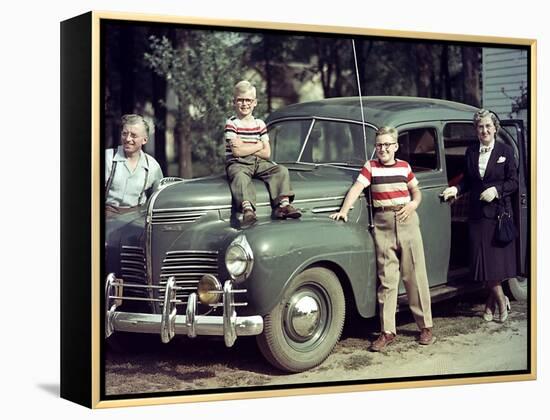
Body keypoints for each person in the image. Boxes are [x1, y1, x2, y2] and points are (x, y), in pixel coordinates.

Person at [330, 126, 435, 351]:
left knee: (414, 275)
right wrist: (345, 210)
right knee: (387, 280)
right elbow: (356, 188)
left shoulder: (405, 167)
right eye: (379, 145)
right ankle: (387, 331)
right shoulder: (371, 167)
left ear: (395, 146)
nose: (383, 149)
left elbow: (417, 192)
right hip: (383, 223)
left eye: (387, 145)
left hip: (406, 219)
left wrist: (412, 204)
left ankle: (426, 327)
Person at [441, 109, 518, 323]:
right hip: (476, 216)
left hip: (498, 215)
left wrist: (496, 191)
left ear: (495, 128)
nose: (484, 130)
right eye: (480, 127)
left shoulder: (505, 151)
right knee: (481, 263)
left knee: (494, 263)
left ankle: (492, 304)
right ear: (476, 130)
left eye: (487, 126)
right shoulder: (471, 151)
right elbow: (467, 180)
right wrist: (456, 189)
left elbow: (513, 181)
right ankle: (501, 300)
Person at [224, 80, 301, 226]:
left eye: (248, 100)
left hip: (258, 162)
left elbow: (266, 153)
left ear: (255, 103)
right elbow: (237, 152)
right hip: (238, 163)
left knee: (281, 170)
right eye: (240, 100)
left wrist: (246, 145)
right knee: (239, 177)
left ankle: (282, 205)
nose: (244, 104)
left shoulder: (260, 124)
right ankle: (247, 209)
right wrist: (258, 144)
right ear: (233, 102)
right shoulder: (232, 123)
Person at [105, 114, 163, 214]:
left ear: (144, 140)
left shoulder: (152, 166)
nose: (127, 139)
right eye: (124, 133)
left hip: (136, 218)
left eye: (133, 135)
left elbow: (158, 200)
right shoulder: (107, 158)